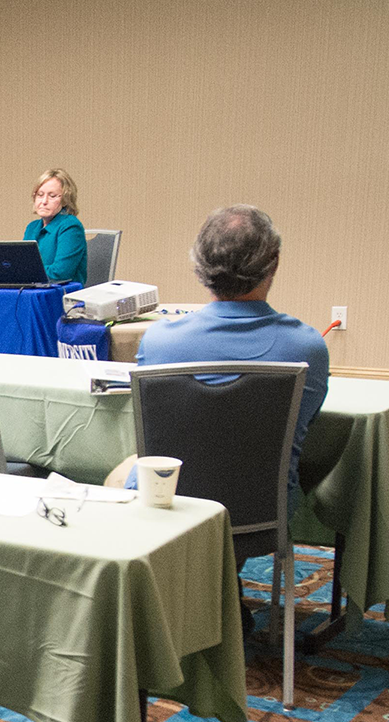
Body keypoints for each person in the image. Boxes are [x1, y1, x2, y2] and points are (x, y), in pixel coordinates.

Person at [135, 204, 328, 494]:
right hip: (264, 519)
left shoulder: (158, 342)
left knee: (123, 470)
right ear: (274, 263)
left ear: (200, 265)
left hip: (172, 516)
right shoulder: (308, 348)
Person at [23, 168, 88, 285]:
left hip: (62, 295)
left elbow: (60, 273)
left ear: (65, 200)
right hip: (34, 290)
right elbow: (22, 266)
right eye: (40, 195)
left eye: (52, 196)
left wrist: (24, 272)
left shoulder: (71, 227)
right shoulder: (32, 227)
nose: (44, 201)